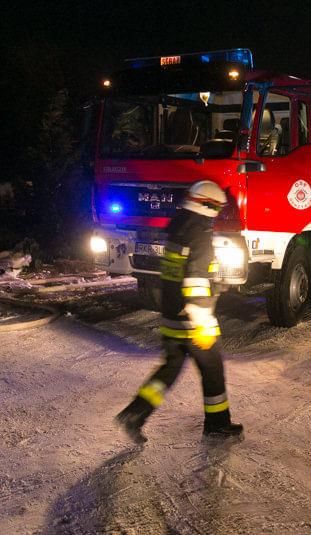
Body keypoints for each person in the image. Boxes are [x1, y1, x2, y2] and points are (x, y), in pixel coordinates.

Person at [115, 180, 243, 444]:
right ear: (208, 206)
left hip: (172, 315)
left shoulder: (176, 231)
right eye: (217, 208)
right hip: (193, 320)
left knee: (169, 368)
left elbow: (176, 275)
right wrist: (203, 322)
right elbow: (195, 281)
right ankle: (218, 425)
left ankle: (135, 413)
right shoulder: (200, 235)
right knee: (213, 369)